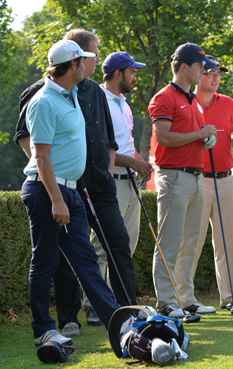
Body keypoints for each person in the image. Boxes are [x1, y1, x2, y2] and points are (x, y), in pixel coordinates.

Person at [14, 29, 136, 333]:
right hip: (48, 191)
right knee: (45, 261)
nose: (89, 65)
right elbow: (39, 156)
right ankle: (45, 328)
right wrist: (56, 197)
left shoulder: (75, 95)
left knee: (86, 261)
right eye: (85, 60)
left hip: (78, 189)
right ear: (72, 65)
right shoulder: (42, 100)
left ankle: (119, 322)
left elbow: (101, 139)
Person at [147, 42, 218, 317]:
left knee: (191, 242)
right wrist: (200, 135)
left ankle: (185, 298)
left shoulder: (193, 100)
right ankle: (166, 301)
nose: (203, 71)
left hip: (196, 176)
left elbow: (189, 134)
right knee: (169, 242)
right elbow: (164, 138)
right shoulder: (163, 97)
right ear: (185, 67)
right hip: (174, 177)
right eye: (200, 66)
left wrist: (204, 137)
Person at [190, 55, 233, 310]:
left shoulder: (227, 103)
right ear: (198, 74)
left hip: (226, 180)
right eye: (210, 73)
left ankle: (231, 298)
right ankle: (184, 299)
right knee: (192, 244)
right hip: (197, 180)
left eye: (219, 73)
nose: (216, 77)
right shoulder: (188, 102)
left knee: (226, 244)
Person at [94, 52, 153, 285]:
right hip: (110, 183)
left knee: (126, 246)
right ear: (118, 73)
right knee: (102, 247)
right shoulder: (98, 101)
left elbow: (126, 144)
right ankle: (94, 305)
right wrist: (133, 163)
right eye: (132, 72)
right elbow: (99, 151)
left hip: (129, 183)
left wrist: (141, 163)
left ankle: (117, 303)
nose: (134, 78)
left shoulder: (123, 104)